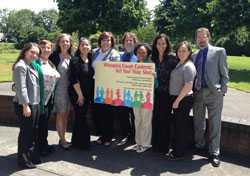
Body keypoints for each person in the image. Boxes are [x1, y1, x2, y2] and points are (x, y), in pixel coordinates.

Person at [192, 27, 229, 167]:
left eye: (203, 37)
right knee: (198, 122)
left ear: (209, 37)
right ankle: (199, 145)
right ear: (196, 39)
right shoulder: (194, 55)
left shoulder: (219, 51)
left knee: (215, 124)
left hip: (214, 94)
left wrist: (222, 90)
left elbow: (225, 73)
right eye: (198, 37)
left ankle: (214, 152)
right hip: (198, 93)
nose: (201, 40)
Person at [13, 42, 40, 169]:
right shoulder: (21, 66)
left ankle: (28, 156)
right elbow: (21, 88)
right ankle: (23, 160)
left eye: (36, 53)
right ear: (25, 52)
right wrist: (25, 105)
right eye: (32, 52)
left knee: (30, 132)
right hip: (25, 105)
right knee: (26, 133)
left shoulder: (30, 65)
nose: (34, 55)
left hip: (33, 103)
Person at [168, 41, 196, 160]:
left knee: (181, 126)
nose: (181, 53)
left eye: (184, 50)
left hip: (183, 99)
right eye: (179, 50)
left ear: (189, 52)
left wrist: (177, 101)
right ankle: (177, 148)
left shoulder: (188, 66)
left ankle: (179, 152)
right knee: (178, 125)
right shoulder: (180, 63)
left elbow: (189, 85)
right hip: (177, 98)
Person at [151, 34, 178, 154]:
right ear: (155, 45)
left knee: (164, 120)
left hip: (167, 94)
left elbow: (178, 75)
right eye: (158, 43)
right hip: (154, 94)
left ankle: (164, 147)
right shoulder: (153, 58)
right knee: (156, 119)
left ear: (167, 44)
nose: (161, 46)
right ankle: (155, 144)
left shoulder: (172, 58)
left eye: (163, 43)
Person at [92, 31, 120, 146]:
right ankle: (102, 135)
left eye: (108, 40)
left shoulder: (114, 54)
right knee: (98, 111)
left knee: (108, 112)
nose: (106, 42)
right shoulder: (95, 52)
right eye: (104, 40)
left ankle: (108, 137)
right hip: (95, 85)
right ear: (100, 41)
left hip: (108, 85)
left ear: (112, 42)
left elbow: (116, 70)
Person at [68, 37, 94, 150]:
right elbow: (73, 79)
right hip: (77, 93)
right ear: (79, 47)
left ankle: (81, 141)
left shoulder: (91, 59)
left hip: (88, 94)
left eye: (87, 45)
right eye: (82, 45)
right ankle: (79, 143)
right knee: (80, 117)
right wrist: (80, 95)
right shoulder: (75, 60)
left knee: (82, 116)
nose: (85, 47)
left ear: (90, 47)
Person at [49, 33, 73, 149]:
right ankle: (62, 140)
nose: (65, 43)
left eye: (67, 41)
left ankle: (63, 136)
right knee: (60, 114)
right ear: (58, 43)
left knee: (66, 114)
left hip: (70, 90)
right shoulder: (54, 56)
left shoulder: (71, 56)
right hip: (59, 89)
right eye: (63, 41)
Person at [36, 40, 60, 156]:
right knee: (39, 125)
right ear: (39, 49)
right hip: (38, 100)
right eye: (43, 47)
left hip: (49, 99)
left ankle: (43, 144)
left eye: (48, 48)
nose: (46, 50)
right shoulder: (35, 63)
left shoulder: (50, 63)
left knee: (44, 124)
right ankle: (39, 148)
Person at [115, 32, 138, 146]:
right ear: (123, 43)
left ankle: (134, 136)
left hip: (135, 91)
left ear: (134, 42)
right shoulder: (118, 57)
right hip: (121, 91)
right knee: (122, 115)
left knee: (135, 115)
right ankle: (126, 134)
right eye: (126, 41)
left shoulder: (139, 56)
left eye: (131, 40)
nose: (129, 42)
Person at [132, 43, 153, 153]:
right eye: (139, 52)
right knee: (138, 120)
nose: (141, 54)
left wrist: (154, 77)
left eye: (143, 52)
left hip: (147, 98)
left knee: (146, 120)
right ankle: (138, 142)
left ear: (147, 53)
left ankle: (145, 143)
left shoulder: (150, 65)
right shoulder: (134, 64)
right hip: (136, 97)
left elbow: (156, 84)